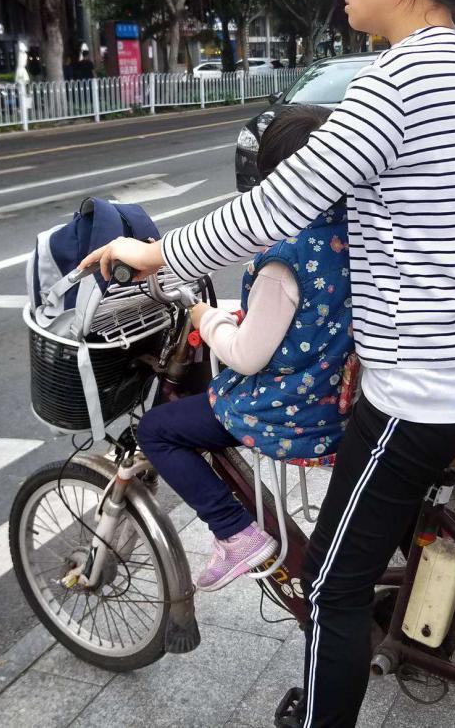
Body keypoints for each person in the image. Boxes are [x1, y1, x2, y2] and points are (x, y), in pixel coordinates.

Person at [82, 0, 455, 727]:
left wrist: (153, 254)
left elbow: (273, 210)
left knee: (329, 582)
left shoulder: (396, 84)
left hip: (430, 391)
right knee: (368, 532)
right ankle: (409, 620)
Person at [137, 106, 353, 593]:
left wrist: (206, 319)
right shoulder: (355, 230)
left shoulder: (286, 258)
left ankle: (235, 533)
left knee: (157, 430)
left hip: (292, 408)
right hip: (338, 396)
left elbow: (247, 357)